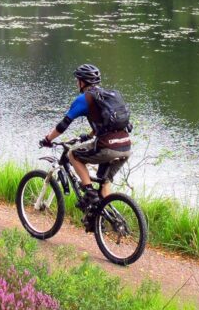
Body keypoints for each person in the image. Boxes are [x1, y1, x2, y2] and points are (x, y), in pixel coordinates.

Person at [39, 63, 132, 221]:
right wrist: (89, 136)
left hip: (108, 146)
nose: (77, 83)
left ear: (83, 82)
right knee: (104, 183)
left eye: (78, 80)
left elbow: (63, 124)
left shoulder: (84, 99)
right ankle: (102, 219)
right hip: (126, 147)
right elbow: (106, 123)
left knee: (72, 154)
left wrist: (48, 139)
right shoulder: (106, 97)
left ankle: (88, 192)